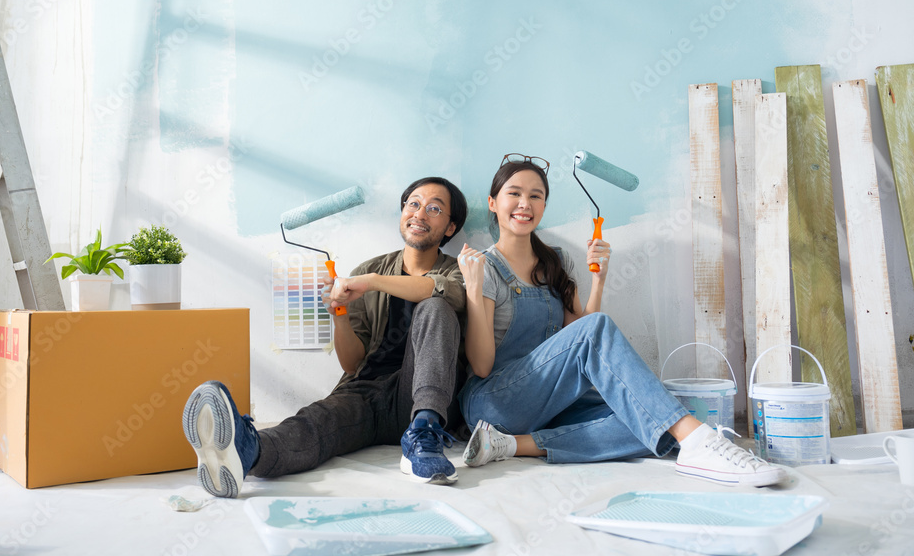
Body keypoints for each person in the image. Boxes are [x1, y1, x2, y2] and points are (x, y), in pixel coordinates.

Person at [456, 154, 785, 487]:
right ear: (493, 203)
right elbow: (482, 366)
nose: (524, 203)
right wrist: (472, 287)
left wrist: (599, 280)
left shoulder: (555, 261)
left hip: (548, 403)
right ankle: (700, 442)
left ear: (543, 205)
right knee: (657, 413)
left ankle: (510, 445)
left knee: (646, 420)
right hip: (495, 404)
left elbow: (578, 338)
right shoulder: (484, 267)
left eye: (535, 195)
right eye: (514, 193)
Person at [182, 177, 469, 497]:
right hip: (368, 393)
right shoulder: (371, 267)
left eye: (433, 208)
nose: (419, 213)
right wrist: (339, 314)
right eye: (413, 204)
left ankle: (424, 435)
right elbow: (352, 362)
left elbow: (438, 290)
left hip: (419, 399)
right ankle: (247, 451)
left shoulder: (457, 272)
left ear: (450, 227)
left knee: (435, 307)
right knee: (317, 420)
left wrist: (372, 282)